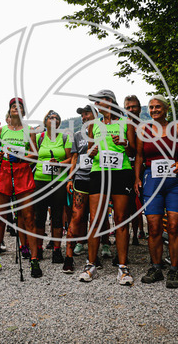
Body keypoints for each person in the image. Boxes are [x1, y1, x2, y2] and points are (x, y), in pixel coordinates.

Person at [0, 97, 42, 278]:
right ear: (9, 110)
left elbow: (35, 155)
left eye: (20, 106)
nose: (16, 107)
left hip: (22, 172)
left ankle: (34, 260)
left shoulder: (29, 131)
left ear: (23, 111)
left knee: (28, 218)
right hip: (4, 173)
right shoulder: (2, 130)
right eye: (13, 106)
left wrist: (21, 157)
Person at [79, 89, 136, 285]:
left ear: (110, 101)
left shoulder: (126, 122)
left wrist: (125, 143)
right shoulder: (93, 125)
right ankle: (91, 264)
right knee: (95, 219)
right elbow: (89, 151)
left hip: (121, 172)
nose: (96, 105)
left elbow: (133, 151)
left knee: (121, 219)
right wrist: (92, 151)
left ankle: (123, 267)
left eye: (99, 101)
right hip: (99, 172)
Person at [134, 95, 178, 288]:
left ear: (166, 109)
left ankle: (174, 270)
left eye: (158, 107)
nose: (154, 110)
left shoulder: (176, 127)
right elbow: (139, 156)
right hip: (152, 181)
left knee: (174, 226)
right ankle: (156, 267)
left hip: (174, 182)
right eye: (151, 107)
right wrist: (137, 178)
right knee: (154, 226)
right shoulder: (144, 130)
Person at [63, 104, 112, 273]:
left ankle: (93, 255)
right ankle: (68, 257)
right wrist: (70, 178)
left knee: (96, 219)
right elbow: (74, 157)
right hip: (81, 178)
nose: (84, 117)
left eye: (87, 114)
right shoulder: (77, 135)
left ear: (96, 114)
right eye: (82, 115)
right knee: (77, 217)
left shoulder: (103, 131)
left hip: (98, 178)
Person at [34, 110, 72, 264]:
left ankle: (57, 250)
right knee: (39, 216)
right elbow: (33, 156)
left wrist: (59, 163)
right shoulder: (39, 137)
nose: (54, 120)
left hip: (58, 181)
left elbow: (71, 159)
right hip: (40, 180)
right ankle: (38, 248)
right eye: (51, 118)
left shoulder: (65, 137)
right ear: (45, 121)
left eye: (57, 118)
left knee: (57, 216)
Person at [124, 95, 146, 246]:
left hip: (144, 170)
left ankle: (141, 232)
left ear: (140, 108)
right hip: (125, 169)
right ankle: (127, 236)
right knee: (126, 205)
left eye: (134, 107)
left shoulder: (146, 127)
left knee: (141, 204)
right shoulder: (121, 126)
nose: (131, 110)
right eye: (128, 107)